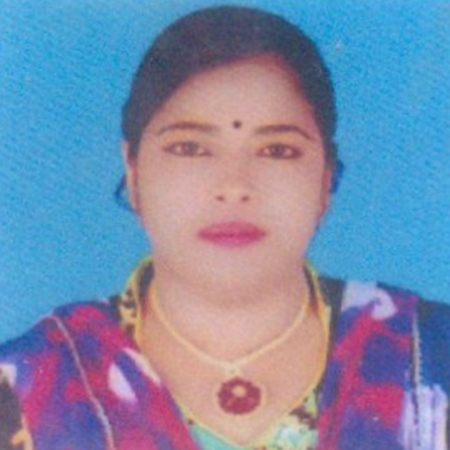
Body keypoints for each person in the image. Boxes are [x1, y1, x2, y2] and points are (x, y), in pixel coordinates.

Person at [0, 5, 449, 450]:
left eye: (277, 150)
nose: (234, 188)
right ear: (133, 172)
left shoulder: (432, 358)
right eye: (190, 148)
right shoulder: (29, 381)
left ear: (325, 178)